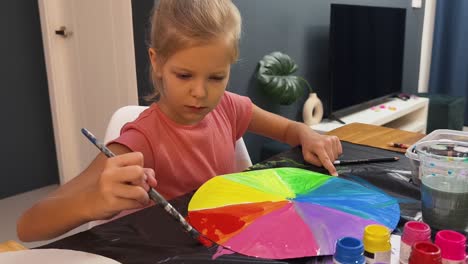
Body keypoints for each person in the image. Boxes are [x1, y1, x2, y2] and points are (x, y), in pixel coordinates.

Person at [17, 0, 342, 242]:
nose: (200, 93)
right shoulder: (141, 139)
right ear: (157, 62)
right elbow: (28, 227)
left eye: (216, 77)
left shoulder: (227, 107)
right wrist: (93, 202)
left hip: (223, 243)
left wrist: (308, 135)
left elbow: (288, 128)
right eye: (184, 75)